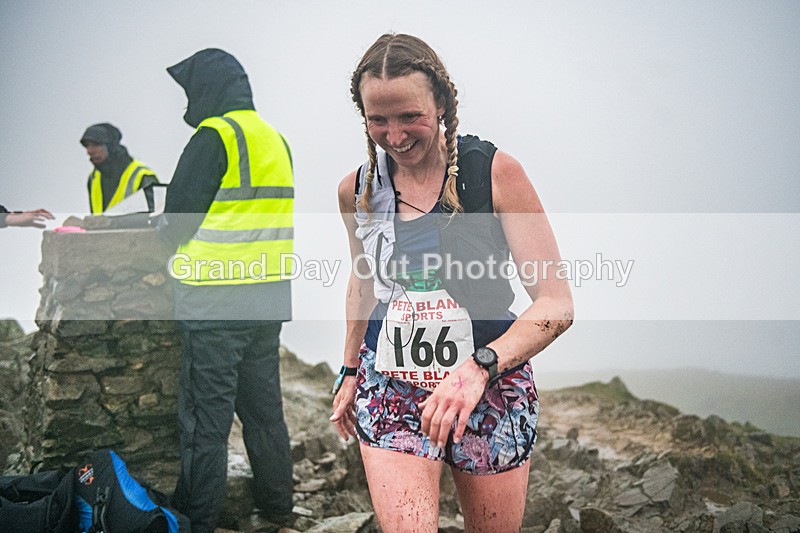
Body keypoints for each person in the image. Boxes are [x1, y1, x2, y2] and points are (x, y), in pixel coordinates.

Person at [330, 33, 574, 532]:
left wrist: (480, 368)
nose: (394, 136)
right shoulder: (357, 190)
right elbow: (363, 283)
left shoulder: (493, 173)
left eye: (409, 117)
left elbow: (556, 303)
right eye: (378, 120)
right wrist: (351, 368)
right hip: (392, 382)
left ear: (441, 102)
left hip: (488, 383)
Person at [158, 48, 295, 533]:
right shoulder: (275, 140)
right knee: (264, 415)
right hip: (267, 303)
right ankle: (278, 507)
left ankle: (197, 520)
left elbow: (177, 223)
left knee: (205, 424)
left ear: (208, 89)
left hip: (216, 306)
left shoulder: (214, 136)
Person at [80, 122, 159, 214]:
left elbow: (155, 219)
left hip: (136, 229)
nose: (89, 151)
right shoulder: (94, 178)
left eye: (96, 145)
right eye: (87, 146)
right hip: (104, 229)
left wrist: (111, 223)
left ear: (111, 147)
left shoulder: (142, 176)